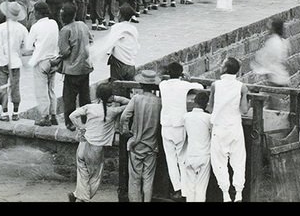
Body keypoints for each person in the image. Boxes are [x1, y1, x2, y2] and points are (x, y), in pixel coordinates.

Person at [68, 82, 130, 202]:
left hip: (83, 142)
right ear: (110, 97)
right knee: (95, 177)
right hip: (95, 149)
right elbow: (130, 102)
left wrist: (81, 127)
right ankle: (81, 199)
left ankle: (77, 195)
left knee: (82, 174)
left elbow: (72, 116)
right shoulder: (113, 111)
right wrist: (114, 97)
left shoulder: (89, 107)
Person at [158, 61, 204, 200]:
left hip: (166, 125)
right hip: (179, 125)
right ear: (181, 73)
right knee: (182, 159)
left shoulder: (163, 85)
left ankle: (177, 187)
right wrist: (187, 79)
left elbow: (161, 79)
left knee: (170, 159)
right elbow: (200, 87)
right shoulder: (184, 85)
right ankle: (185, 190)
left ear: (168, 73)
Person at [207, 57, 250, 202]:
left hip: (219, 128)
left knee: (219, 161)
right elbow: (244, 110)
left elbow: (210, 107)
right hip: (234, 128)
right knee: (239, 161)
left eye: (222, 64)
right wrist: (245, 95)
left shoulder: (215, 85)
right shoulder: (241, 87)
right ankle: (239, 193)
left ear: (225, 69)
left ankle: (225, 193)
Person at [119, 69, 162, 202]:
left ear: (141, 85)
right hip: (152, 146)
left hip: (136, 144)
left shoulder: (136, 99)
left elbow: (124, 117)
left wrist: (126, 132)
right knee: (148, 179)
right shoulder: (159, 102)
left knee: (134, 179)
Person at [59, 2, 94, 131]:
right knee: (85, 96)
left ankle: (70, 122)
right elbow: (91, 40)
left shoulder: (65, 30)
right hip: (85, 67)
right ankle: (87, 120)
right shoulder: (83, 25)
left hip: (71, 69)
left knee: (69, 98)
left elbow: (64, 51)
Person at [26, 2, 60, 127]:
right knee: (51, 89)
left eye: (34, 11)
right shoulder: (54, 23)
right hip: (53, 60)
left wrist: (36, 45)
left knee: (41, 91)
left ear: (38, 13)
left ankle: (44, 116)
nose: (33, 13)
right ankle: (53, 115)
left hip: (41, 61)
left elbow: (28, 46)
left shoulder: (35, 27)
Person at [0, 2, 29, 121]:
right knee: (15, 87)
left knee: (2, 87)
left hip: (3, 60)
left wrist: (3, 59)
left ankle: (4, 112)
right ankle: (15, 112)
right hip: (15, 61)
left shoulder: (1, 27)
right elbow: (26, 47)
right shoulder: (22, 29)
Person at [181, 91, 212, 202]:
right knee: (201, 189)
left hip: (190, 155)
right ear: (206, 104)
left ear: (195, 101)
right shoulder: (209, 118)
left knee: (190, 188)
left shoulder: (186, 117)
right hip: (204, 155)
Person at [251, 17, 290, 88]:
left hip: (276, 78)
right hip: (281, 76)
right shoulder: (283, 41)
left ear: (274, 28)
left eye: (270, 27)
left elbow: (265, 59)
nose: (268, 29)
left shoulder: (273, 42)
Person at [104, 4, 140, 81]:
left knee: (117, 88)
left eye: (118, 13)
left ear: (121, 16)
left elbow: (109, 45)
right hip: (131, 65)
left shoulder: (116, 27)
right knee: (128, 88)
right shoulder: (134, 29)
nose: (117, 15)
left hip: (119, 64)